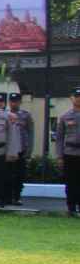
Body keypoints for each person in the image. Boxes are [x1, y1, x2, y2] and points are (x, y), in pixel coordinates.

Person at [56, 87, 80, 215]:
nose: (78, 99)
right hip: (70, 152)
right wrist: (60, 156)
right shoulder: (65, 116)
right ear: (72, 98)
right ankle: (71, 206)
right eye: (77, 96)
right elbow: (59, 138)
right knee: (71, 181)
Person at [7, 92, 33, 205]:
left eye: (16, 101)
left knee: (19, 175)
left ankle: (17, 197)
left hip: (21, 149)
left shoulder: (25, 115)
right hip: (8, 150)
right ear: (9, 102)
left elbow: (30, 133)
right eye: (12, 101)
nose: (14, 103)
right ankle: (7, 197)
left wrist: (29, 150)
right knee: (7, 174)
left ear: (20, 102)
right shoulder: (4, 114)